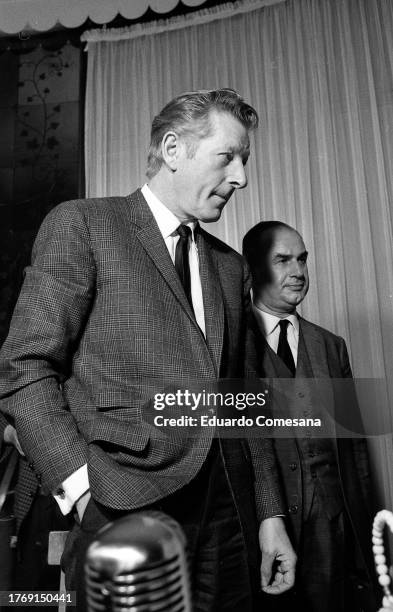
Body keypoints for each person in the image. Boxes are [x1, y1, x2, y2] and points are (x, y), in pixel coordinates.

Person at [0, 89, 296, 611]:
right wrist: (84, 489)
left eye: (244, 161)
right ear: (173, 148)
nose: (241, 178)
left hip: (228, 523)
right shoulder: (84, 225)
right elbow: (25, 368)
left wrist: (271, 517)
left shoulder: (230, 267)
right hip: (119, 511)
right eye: (227, 157)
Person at [242, 220, 377, 612]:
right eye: (282, 260)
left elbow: (356, 453)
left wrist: (364, 533)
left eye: (302, 259)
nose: (298, 272)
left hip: (333, 533)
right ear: (253, 269)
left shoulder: (331, 347)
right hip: (266, 534)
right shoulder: (231, 344)